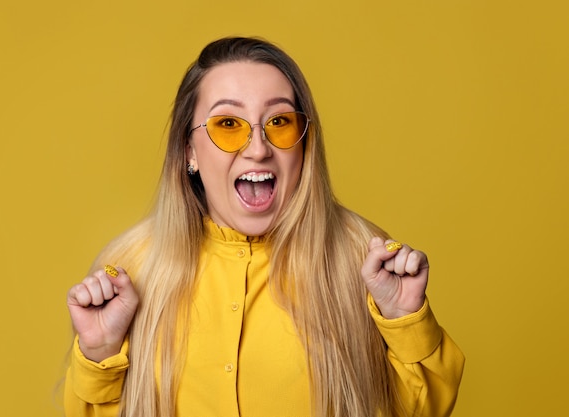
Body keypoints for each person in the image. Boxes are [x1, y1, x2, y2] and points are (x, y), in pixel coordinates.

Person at [64, 37, 465, 417]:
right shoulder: (131, 268)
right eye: (227, 124)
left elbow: (422, 410)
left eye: (278, 121)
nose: (258, 149)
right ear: (190, 151)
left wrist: (404, 320)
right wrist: (100, 352)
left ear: (304, 143)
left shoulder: (364, 259)